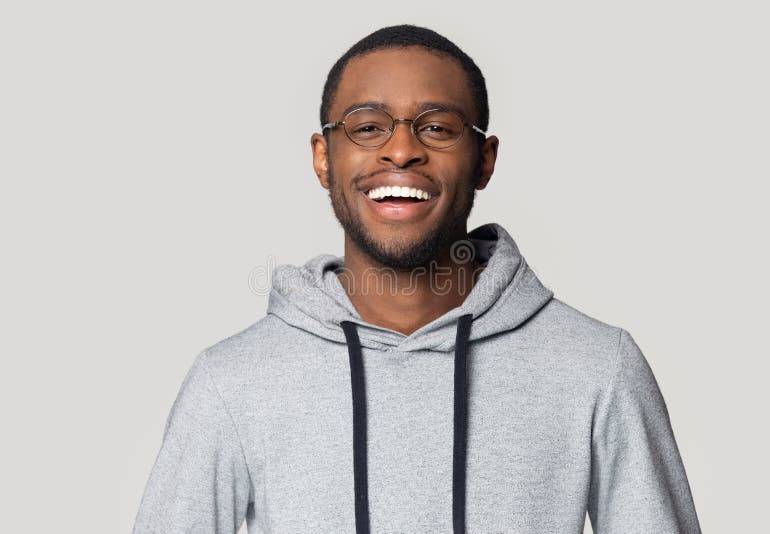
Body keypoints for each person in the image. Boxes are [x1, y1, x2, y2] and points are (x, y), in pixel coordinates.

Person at [132, 24, 702, 534]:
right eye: (367, 127)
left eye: (436, 127)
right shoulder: (231, 382)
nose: (401, 150)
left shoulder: (598, 367)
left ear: (484, 159)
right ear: (323, 157)